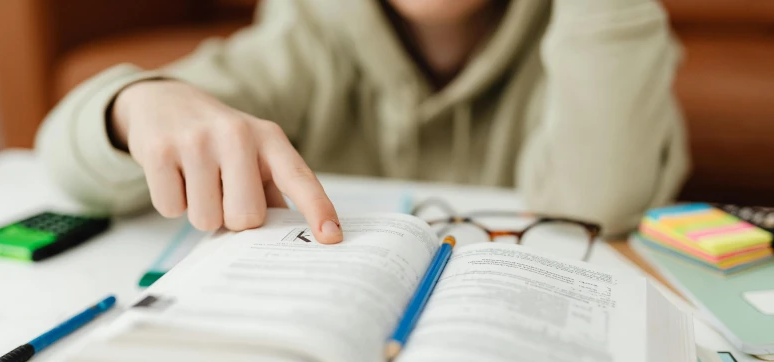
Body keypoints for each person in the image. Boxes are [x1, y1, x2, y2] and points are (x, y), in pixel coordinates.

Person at [36, 0, 688, 244]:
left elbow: (595, 205)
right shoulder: (309, 31)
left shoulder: (600, 33)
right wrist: (134, 107)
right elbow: (65, 158)